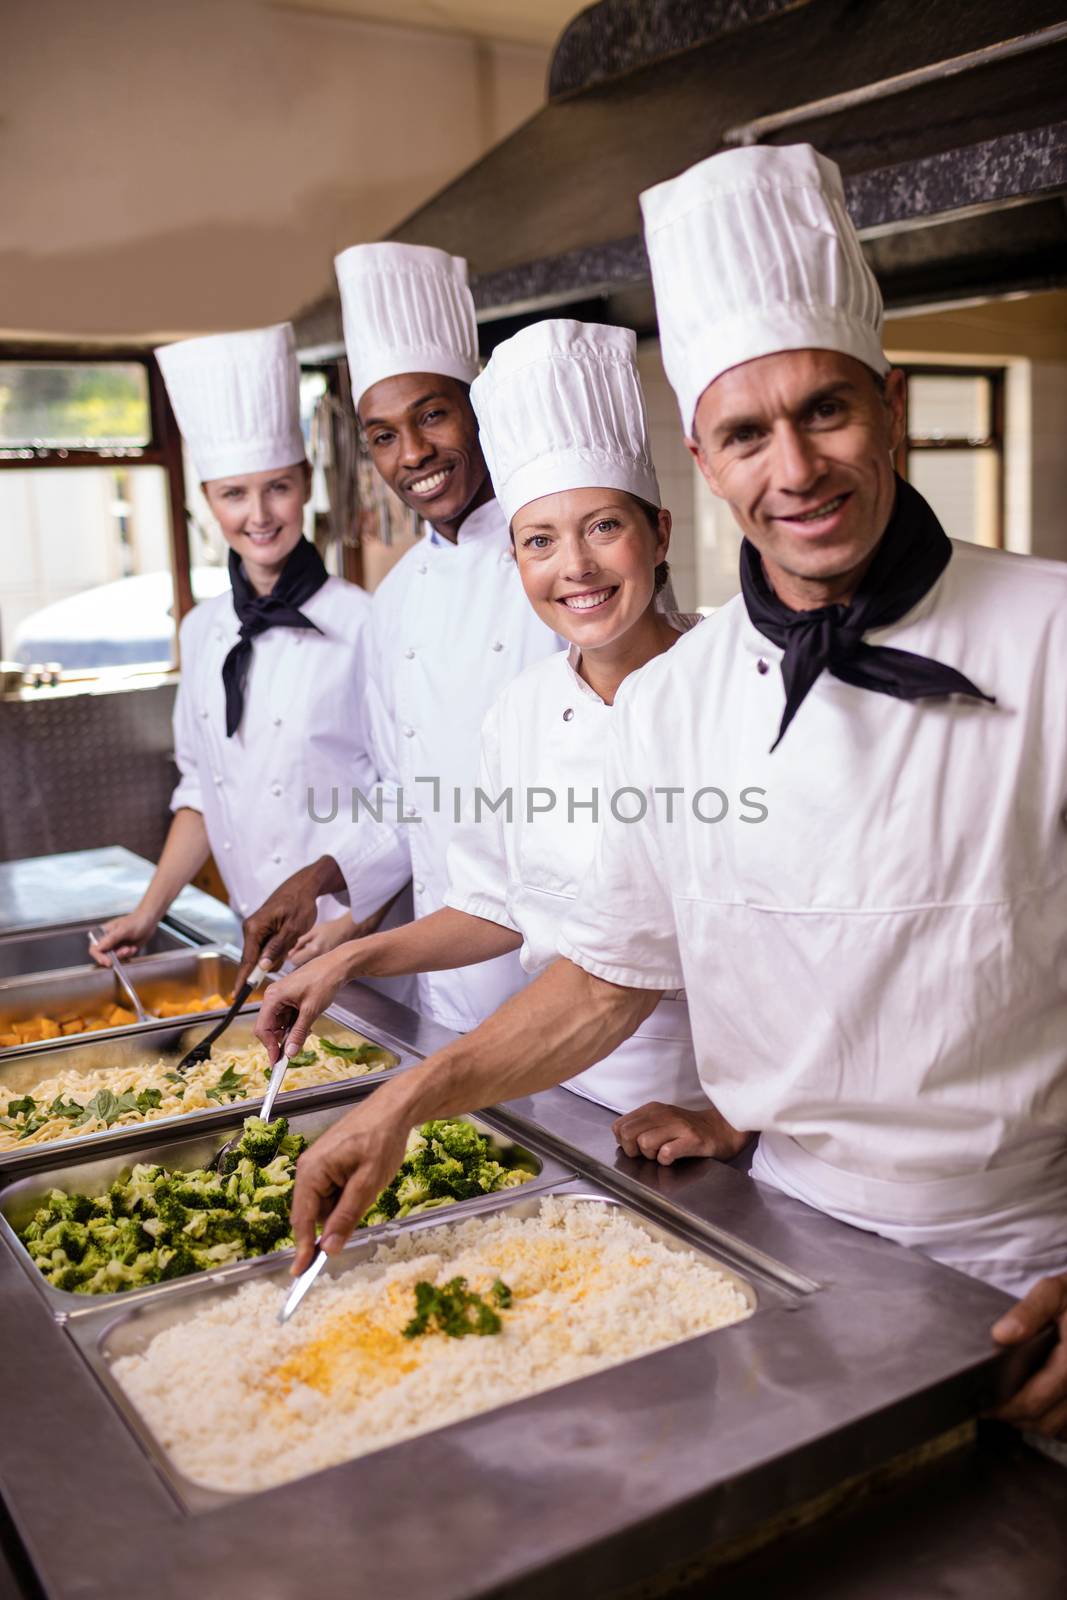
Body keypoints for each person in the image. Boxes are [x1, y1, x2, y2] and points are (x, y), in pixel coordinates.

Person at [285, 145, 1066, 1439]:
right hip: (787, 1251)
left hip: (1031, 1257)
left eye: (825, 411)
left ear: (892, 400)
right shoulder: (672, 703)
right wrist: (401, 1102)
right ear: (701, 460)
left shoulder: (1049, 631)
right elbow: (604, 979)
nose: (795, 471)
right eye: (745, 433)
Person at [255, 319, 743, 1127]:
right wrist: (348, 959)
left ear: (658, 533)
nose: (574, 567)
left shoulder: (736, 680)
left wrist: (737, 1118)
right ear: (513, 558)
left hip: (699, 1103)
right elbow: (494, 900)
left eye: (603, 527)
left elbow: (788, 940)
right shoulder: (521, 710)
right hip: (555, 1087)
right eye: (540, 541)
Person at [232, 244, 562, 1030]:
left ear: (477, 405)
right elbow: (404, 792)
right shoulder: (398, 599)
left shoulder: (563, 565)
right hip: (447, 974)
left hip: (569, 971)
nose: (411, 454)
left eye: (431, 415)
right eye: (381, 436)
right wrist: (317, 876)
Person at [92, 324, 396, 968]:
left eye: (277, 487)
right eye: (234, 493)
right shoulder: (202, 631)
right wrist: (149, 914)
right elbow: (202, 789)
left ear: (306, 482)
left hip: (352, 936)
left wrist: (354, 925)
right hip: (251, 937)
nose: (259, 514)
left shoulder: (369, 623)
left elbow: (407, 797)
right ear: (207, 499)